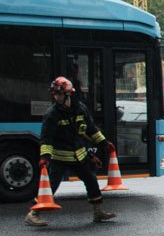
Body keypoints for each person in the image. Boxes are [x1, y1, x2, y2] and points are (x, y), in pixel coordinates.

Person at [24, 77, 117, 227]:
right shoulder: (52, 114)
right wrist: (45, 157)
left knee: (91, 180)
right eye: (55, 95)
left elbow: (91, 129)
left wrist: (104, 143)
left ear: (68, 94)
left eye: (59, 94)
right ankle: (32, 214)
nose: (57, 97)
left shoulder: (80, 108)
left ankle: (98, 211)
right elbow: (46, 139)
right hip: (60, 157)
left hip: (79, 155)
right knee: (51, 185)